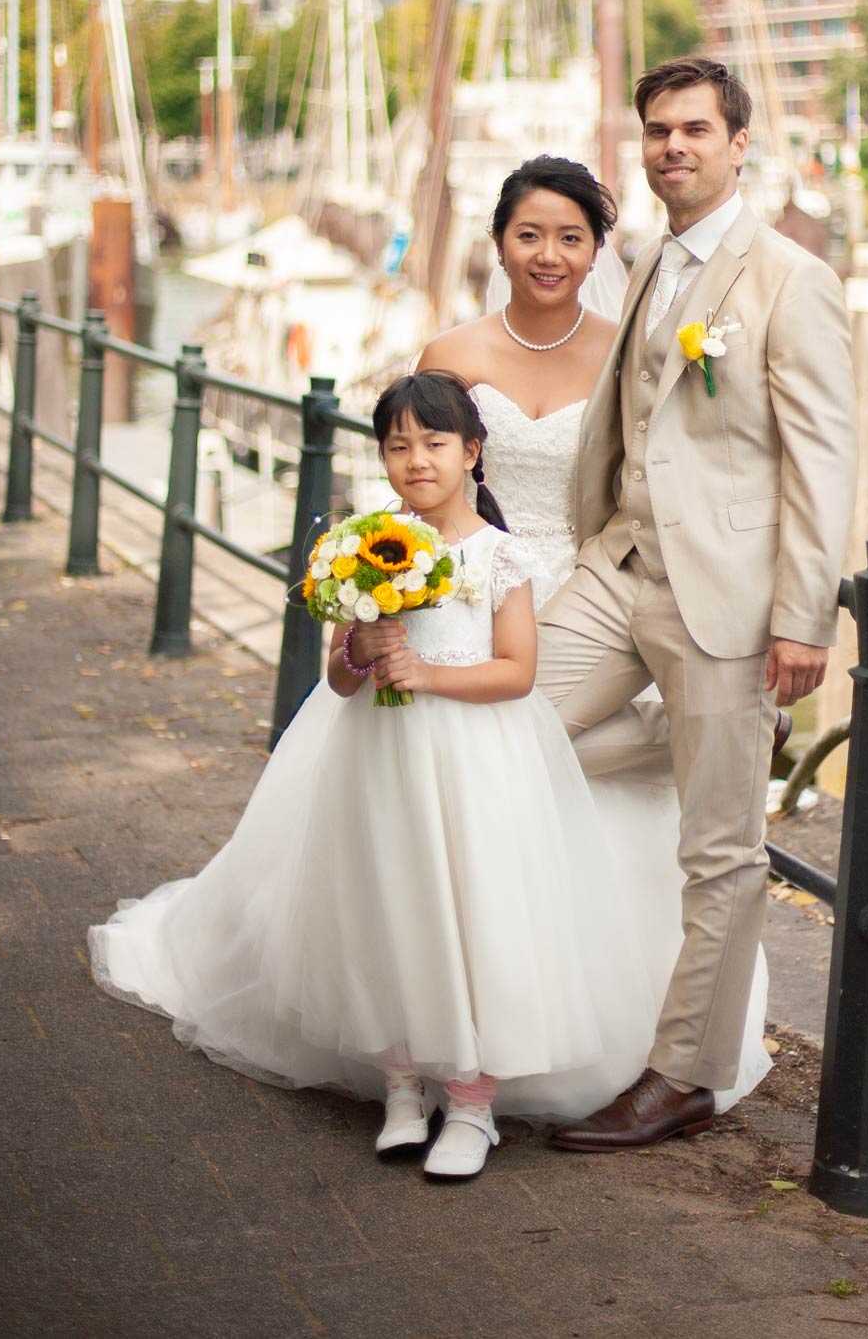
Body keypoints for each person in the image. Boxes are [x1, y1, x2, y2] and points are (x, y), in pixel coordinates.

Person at [90, 371, 662, 1181]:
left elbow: (517, 672)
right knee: (390, 901)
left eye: (433, 443)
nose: (415, 460)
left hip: (475, 762)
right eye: (397, 445)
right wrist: (363, 645)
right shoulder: (366, 546)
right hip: (383, 758)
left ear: (472, 452)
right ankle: (402, 1086)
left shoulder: (498, 555)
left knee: (471, 910)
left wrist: (425, 673)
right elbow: (340, 678)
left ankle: (471, 1101)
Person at [534, 55, 858, 1152]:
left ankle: (683, 1076)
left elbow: (821, 459)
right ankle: (679, 740)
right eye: (657, 131)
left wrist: (803, 617)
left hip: (724, 602)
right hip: (616, 571)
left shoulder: (787, 279)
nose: (672, 146)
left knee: (720, 852)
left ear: (736, 145)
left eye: (693, 130)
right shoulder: (642, 260)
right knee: (501, 725)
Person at [408, 153, 774, 1115]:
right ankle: (666, 745)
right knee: (463, 746)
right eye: (530, 234)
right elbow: (419, 480)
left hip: (590, 587)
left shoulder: (629, 351)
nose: (549, 253)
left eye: (571, 236)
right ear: (499, 243)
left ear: (596, 248)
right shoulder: (450, 351)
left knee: (522, 739)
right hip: (475, 586)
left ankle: (616, 1039)